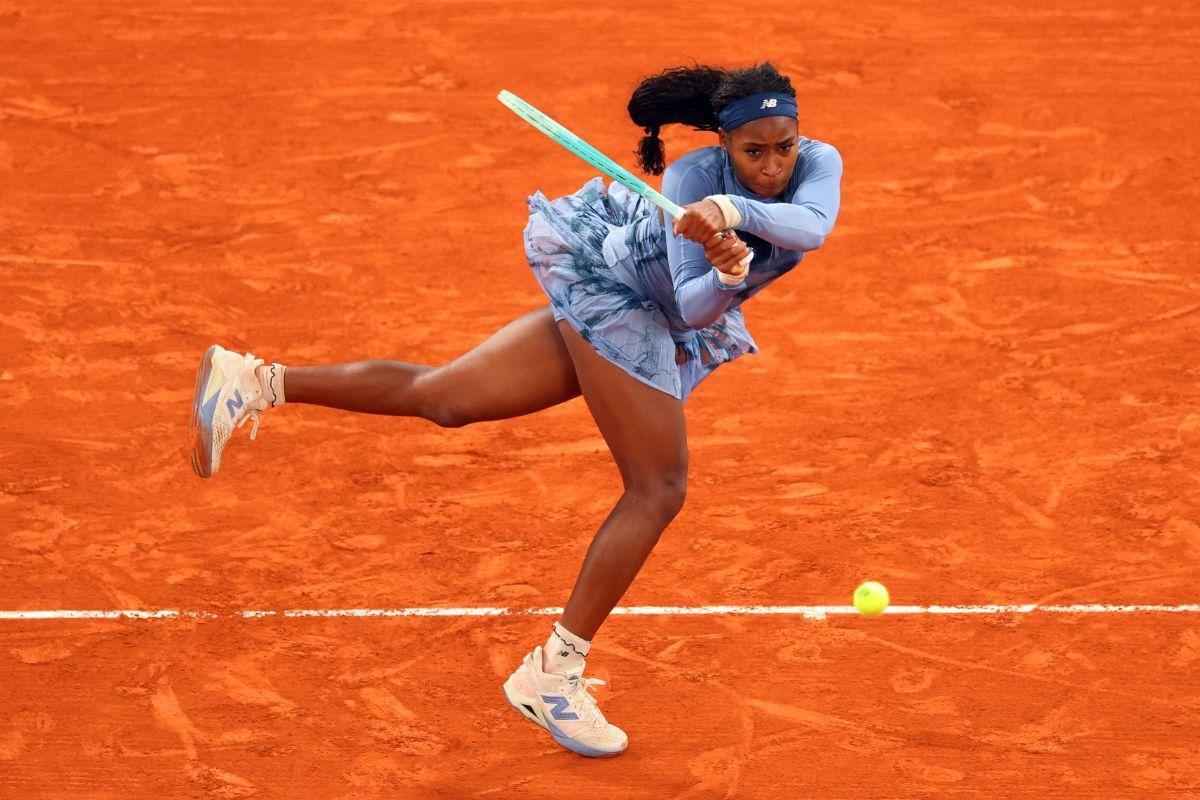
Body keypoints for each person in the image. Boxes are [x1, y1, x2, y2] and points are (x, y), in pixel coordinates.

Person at [188, 61, 842, 757]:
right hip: (616, 294)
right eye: (753, 152)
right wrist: (720, 266)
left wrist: (731, 255)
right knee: (657, 486)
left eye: (784, 147)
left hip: (648, 309)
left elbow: (812, 227)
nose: (773, 164)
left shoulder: (818, 165)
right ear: (723, 146)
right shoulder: (687, 179)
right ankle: (555, 673)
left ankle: (255, 382)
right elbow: (692, 305)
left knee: (445, 399)